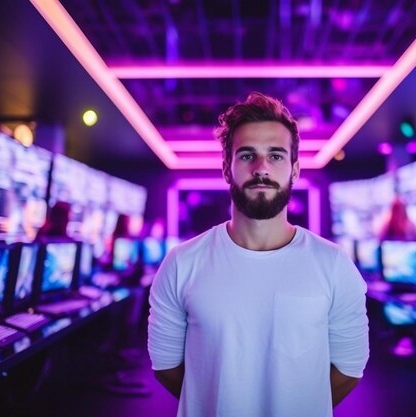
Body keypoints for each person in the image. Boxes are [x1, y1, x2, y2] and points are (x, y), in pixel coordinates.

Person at [148, 92, 369, 417]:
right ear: (227, 168)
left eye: (276, 156)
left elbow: (349, 367)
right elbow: (165, 364)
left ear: (294, 170)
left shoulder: (334, 266)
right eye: (247, 155)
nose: (262, 168)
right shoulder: (182, 263)